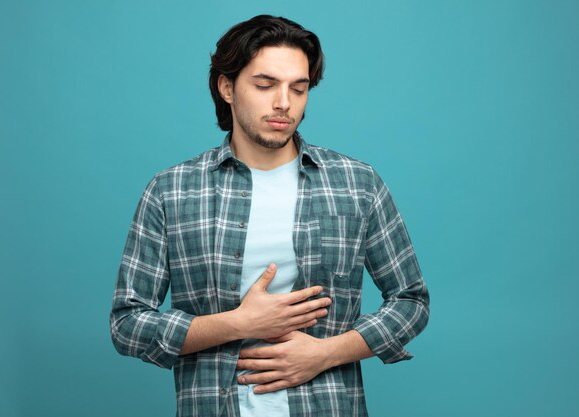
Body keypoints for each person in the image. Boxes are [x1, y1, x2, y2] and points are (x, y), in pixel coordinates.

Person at [110, 15, 429, 417]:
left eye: (299, 88)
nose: (284, 103)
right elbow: (127, 323)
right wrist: (239, 324)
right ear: (227, 87)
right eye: (265, 85)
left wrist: (326, 353)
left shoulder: (356, 184)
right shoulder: (171, 191)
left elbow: (411, 301)